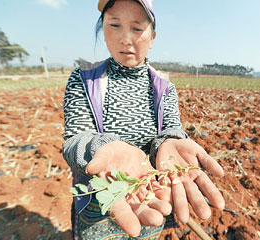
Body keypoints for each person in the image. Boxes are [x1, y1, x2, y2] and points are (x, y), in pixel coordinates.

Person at [62, 0, 225, 239]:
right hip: (100, 198)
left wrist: (169, 142)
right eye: (114, 25)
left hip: (149, 196)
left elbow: (171, 129)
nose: (125, 38)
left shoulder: (164, 87)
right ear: (102, 29)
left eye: (137, 28)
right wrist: (103, 147)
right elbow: (74, 140)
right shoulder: (84, 80)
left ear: (152, 37)